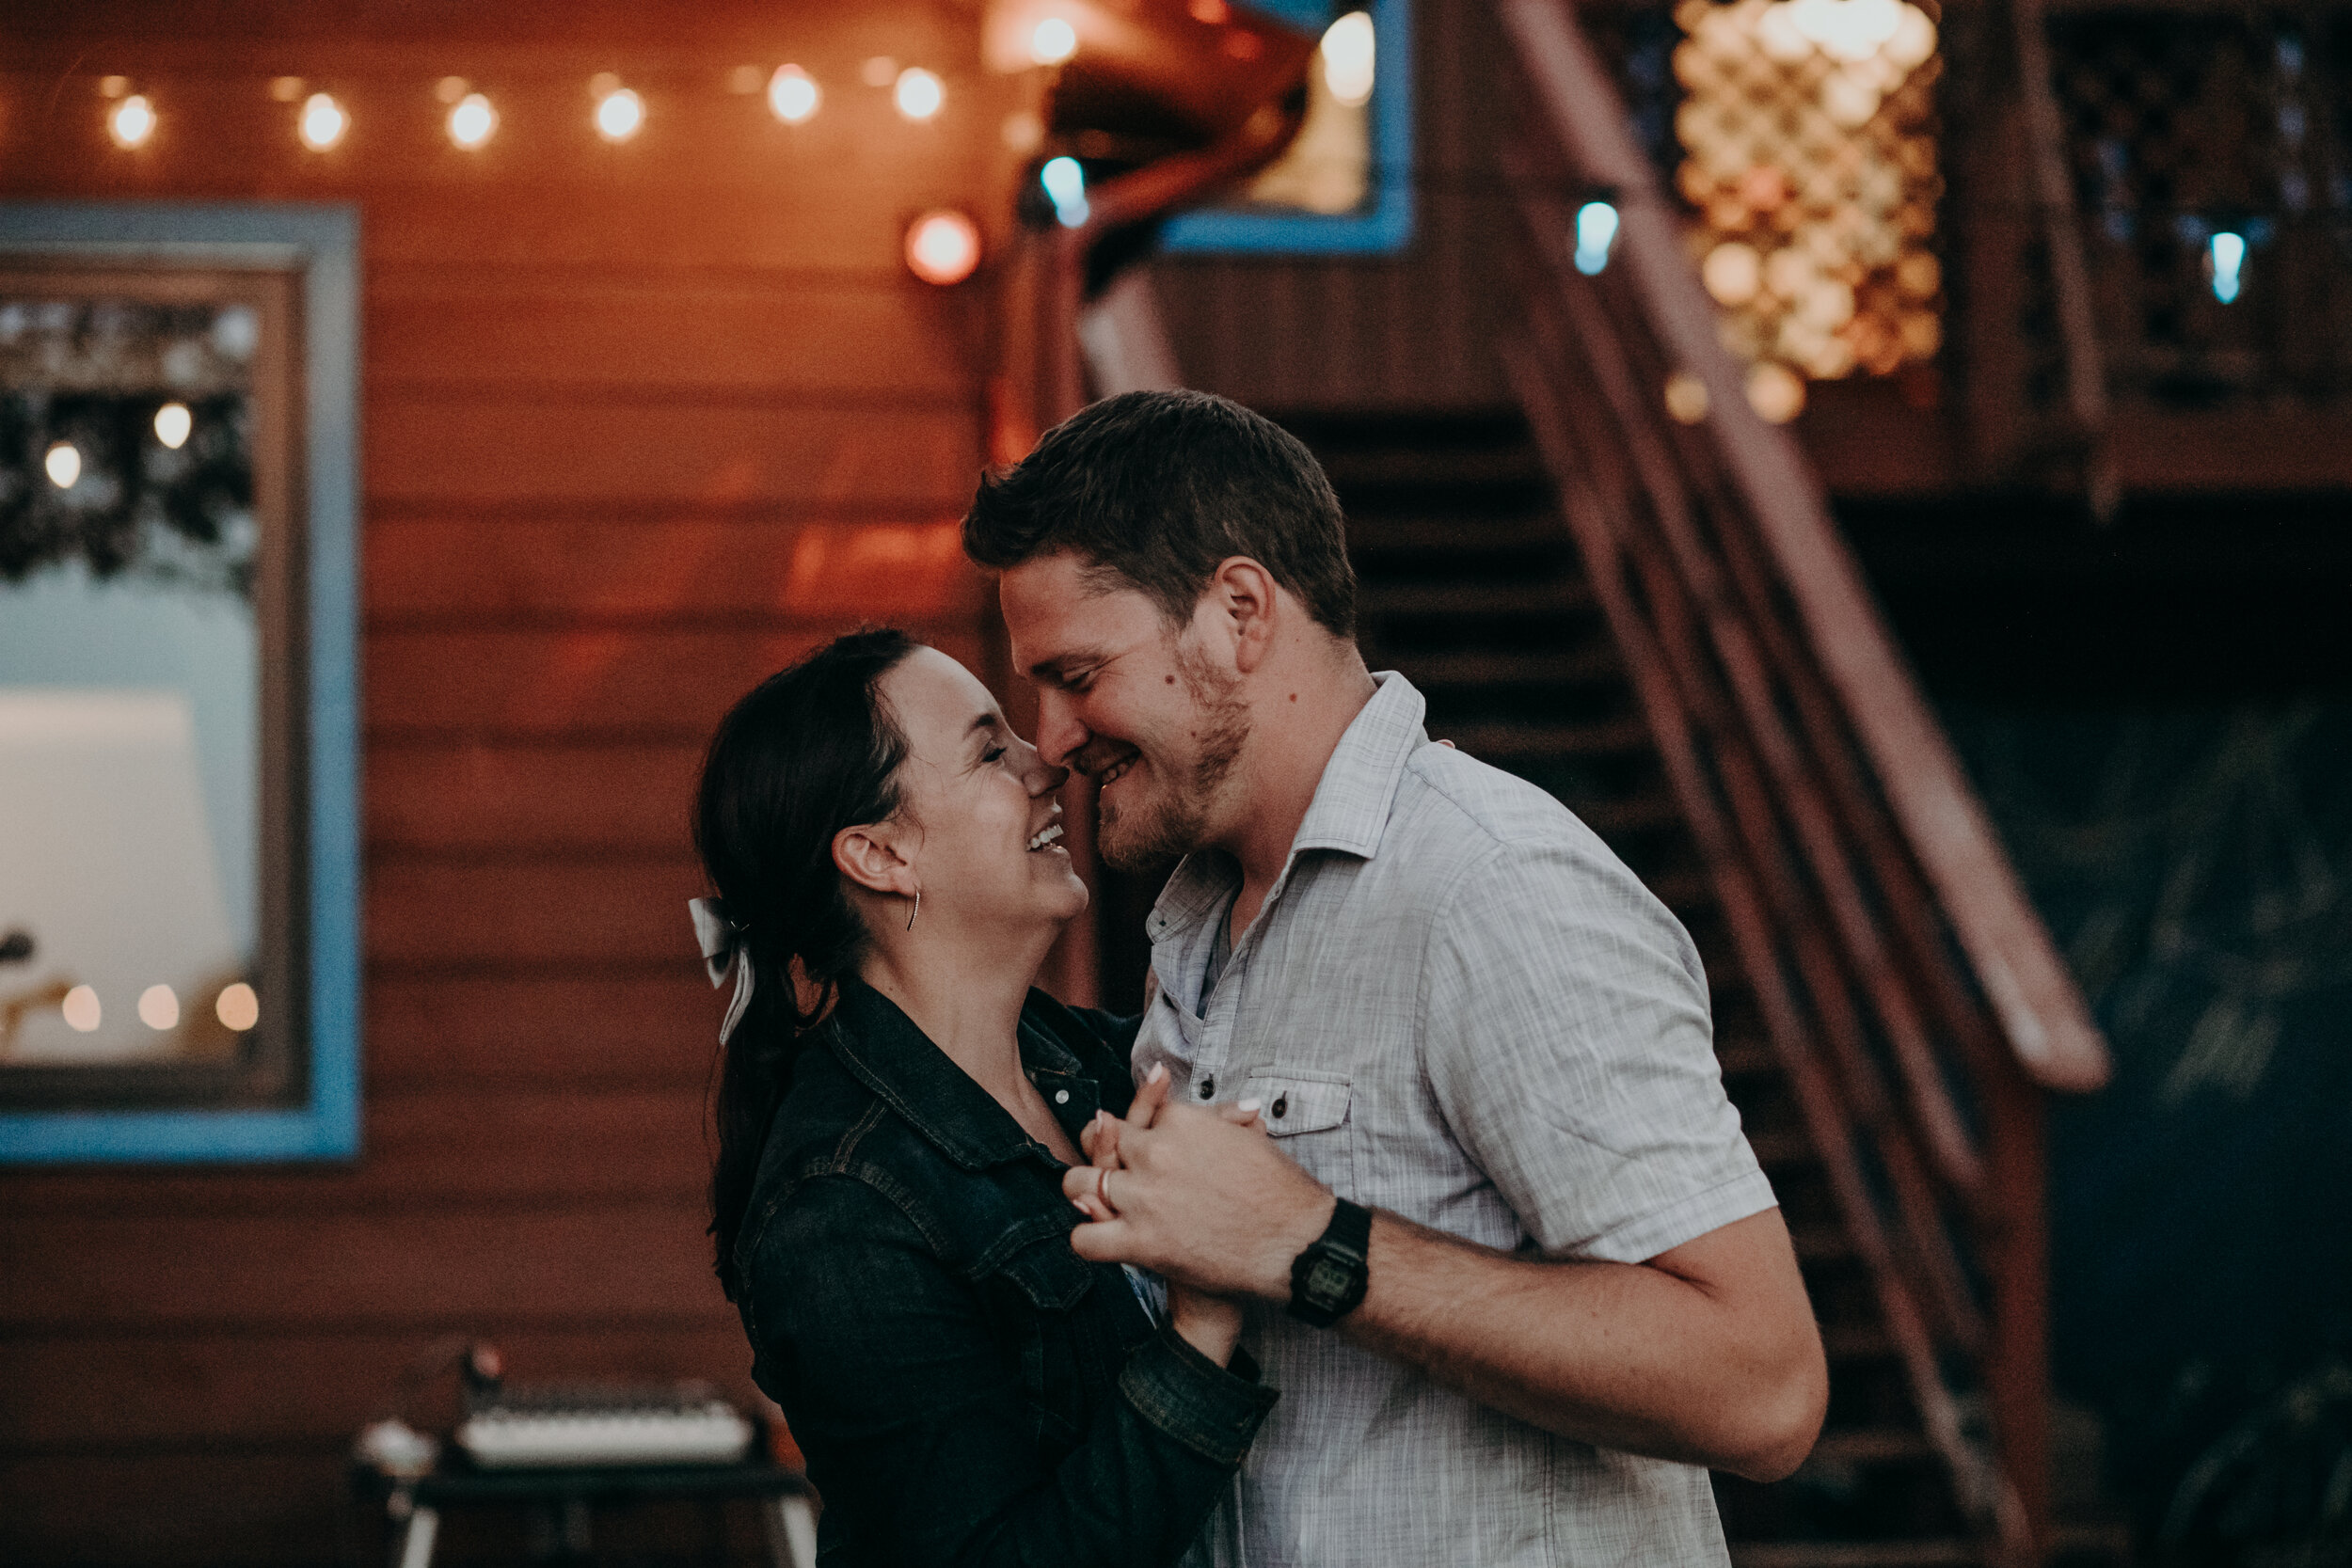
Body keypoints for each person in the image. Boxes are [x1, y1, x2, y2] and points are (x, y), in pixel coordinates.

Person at [963, 389, 1831, 1566]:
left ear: (1237, 610)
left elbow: (1763, 1385)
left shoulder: (1492, 888)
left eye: (1077, 672)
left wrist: (1313, 1243)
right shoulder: (1197, 920)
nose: (1052, 735)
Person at [692, 627, 1279, 1567]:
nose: (1046, 759)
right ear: (880, 854)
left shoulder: (1091, 1066)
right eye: (987, 749)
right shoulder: (841, 1213)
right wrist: (1200, 1327)